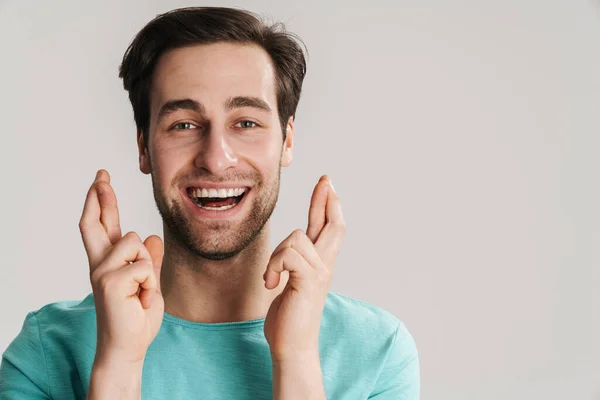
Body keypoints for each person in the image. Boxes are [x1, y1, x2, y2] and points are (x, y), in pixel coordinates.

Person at [0, 6, 419, 399]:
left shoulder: (377, 352)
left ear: (287, 140)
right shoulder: (46, 353)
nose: (216, 159)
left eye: (246, 123)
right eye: (183, 124)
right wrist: (119, 363)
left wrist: (297, 361)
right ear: (144, 146)